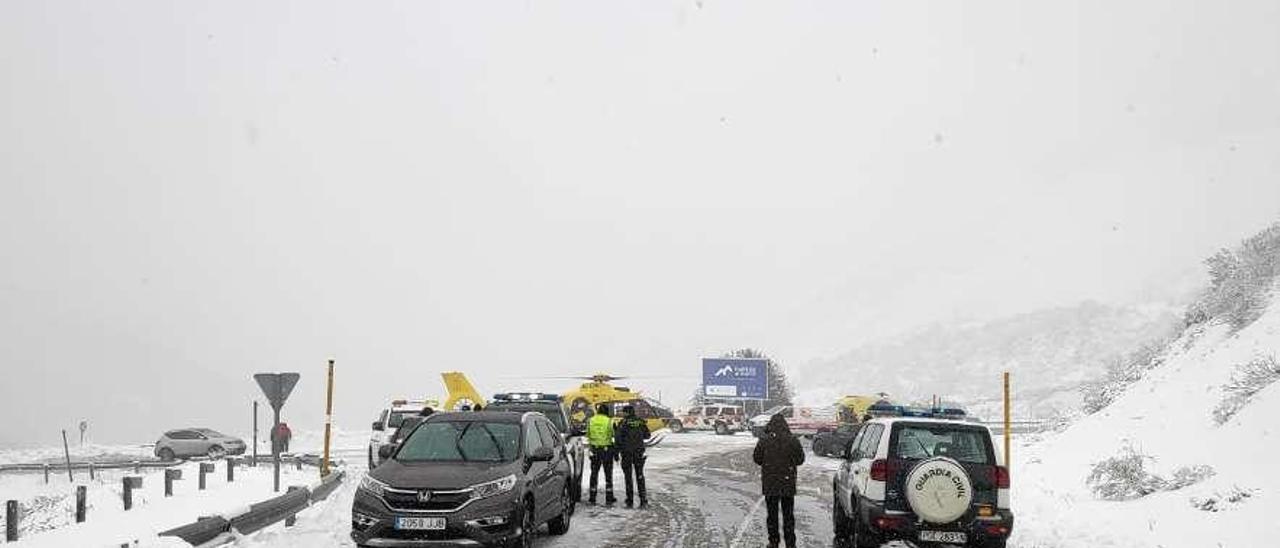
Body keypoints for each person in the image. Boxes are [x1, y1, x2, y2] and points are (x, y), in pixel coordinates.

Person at [752, 414, 805, 548]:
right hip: (787, 482)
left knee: (772, 514)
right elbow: (800, 460)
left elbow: (757, 459)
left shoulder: (764, 440)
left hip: (770, 482)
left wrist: (769, 462)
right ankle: (790, 543)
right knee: (788, 515)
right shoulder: (793, 440)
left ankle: (774, 542)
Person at [614, 404, 651, 508]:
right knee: (640, 475)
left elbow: (618, 439)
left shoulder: (623, 423)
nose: (622, 414)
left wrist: (616, 453)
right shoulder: (640, 422)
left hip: (626, 453)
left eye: (623, 412)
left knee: (628, 477)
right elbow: (647, 435)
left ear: (626, 413)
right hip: (639, 452)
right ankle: (643, 500)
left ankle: (629, 500)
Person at [586, 403, 617, 505]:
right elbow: (614, 435)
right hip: (606, 451)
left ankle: (592, 497)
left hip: (595, 450)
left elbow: (588, 434)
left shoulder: (591, 420)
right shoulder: (610, 421)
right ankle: (609, 497)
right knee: (608, 475)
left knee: (594, 474)